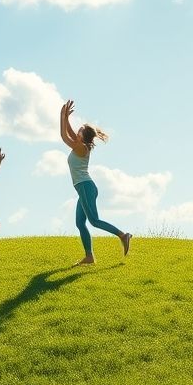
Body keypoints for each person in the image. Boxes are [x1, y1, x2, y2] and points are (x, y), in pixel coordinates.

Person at [60, 100, 132, 265]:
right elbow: (69, 133)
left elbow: (64, 136)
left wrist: (62, 117)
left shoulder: (81, 147)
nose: (77, 130)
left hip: (86, 187)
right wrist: (64, 118)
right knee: (80, 223)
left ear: (83, 136)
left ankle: (123, 235)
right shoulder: (79, 145)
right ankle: (89, 256)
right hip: (84, 188)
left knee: (94, 221)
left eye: (80, 130)